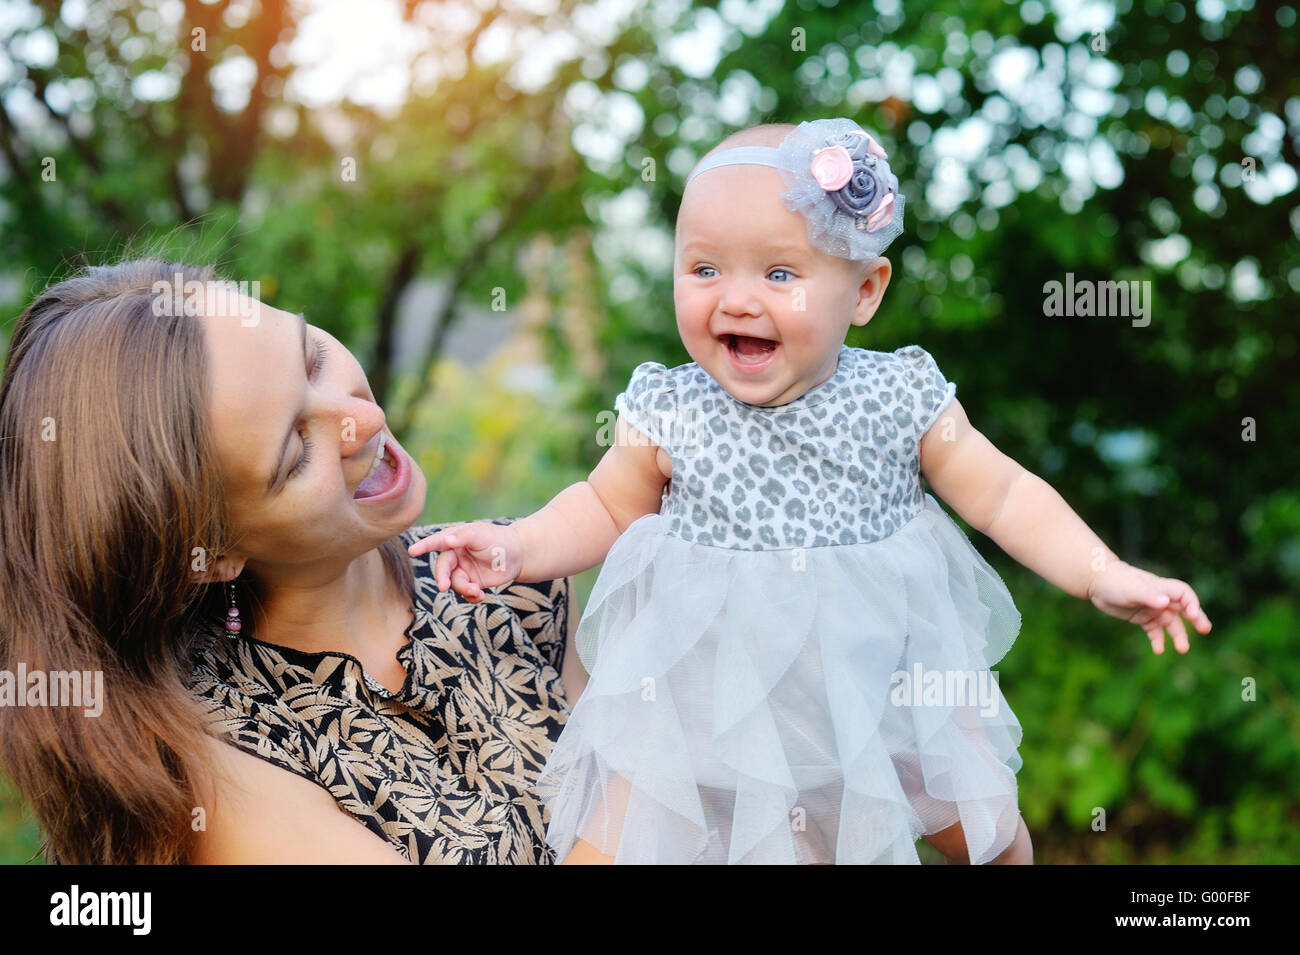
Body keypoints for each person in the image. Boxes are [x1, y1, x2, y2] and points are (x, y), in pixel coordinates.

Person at [409, 118, 1213, 866]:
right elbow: (604, 506)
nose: (736, 296)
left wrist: (1104, 572)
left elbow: (1004, 495)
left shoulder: (898, 397)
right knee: (613, 837)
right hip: (699, 697)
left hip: (885, 688)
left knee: (992, 833)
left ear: (864, 292)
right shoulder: (669, 406)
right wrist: (518, 545)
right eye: (704, 268)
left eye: (781, 272)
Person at [0, 258, 585, 864]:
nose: (367, 419)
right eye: (297, 453)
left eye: (313, 359)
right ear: (212, 554)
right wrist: (649, 716)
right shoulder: (222, 773)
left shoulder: (513, 580)